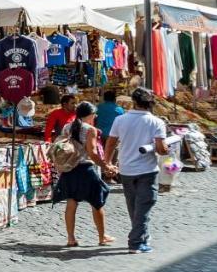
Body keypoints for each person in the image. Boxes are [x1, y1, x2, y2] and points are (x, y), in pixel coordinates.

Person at [104, 87, 168, 254]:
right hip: (147, 169)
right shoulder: (157, 122)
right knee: (144, 205)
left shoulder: (120, 120)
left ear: (134, 102)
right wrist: (166, 147)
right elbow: (161, 150)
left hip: (126, 168)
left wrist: (107, 162)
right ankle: (136, 243)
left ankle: (142, 236)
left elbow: (110, 143)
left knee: (134, 206)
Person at [52, 102, 116, 247]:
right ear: (91, 115)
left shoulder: (67, 127)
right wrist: (106, 166)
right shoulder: (90, 129)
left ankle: (70, 238)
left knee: (71, 202)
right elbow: (92, 153)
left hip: (70, 169)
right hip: (86, 169)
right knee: (97, 203)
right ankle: (102, 236)